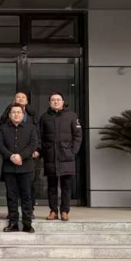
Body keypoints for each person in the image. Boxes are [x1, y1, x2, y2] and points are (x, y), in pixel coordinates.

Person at [38, 92, 83, 221]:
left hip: (66, 156)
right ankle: (53, 211)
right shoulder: (44, 117)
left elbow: (78, 135)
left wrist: (73, 151)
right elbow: (40, 136)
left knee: (66, 186)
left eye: (58, 99)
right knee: (51, 186)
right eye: (53, 100)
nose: (56, 102)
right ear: (49, 103)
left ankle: (64, 211)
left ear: (63, 102)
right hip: (50, 157)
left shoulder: (72, 116)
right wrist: (43, 151)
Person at [0, 104, 39, 233]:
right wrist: (11, 156)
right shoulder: (3, 128)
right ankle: (13, 223)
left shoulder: (31, 128)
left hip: (26, 168)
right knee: (11, 197)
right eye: (13, 112)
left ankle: (27, 223)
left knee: (27, 197)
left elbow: (33, 144)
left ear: (23, 115)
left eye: (18, 112)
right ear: (9, 115)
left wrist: (21, 156)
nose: (16, 114)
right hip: (9, 168)